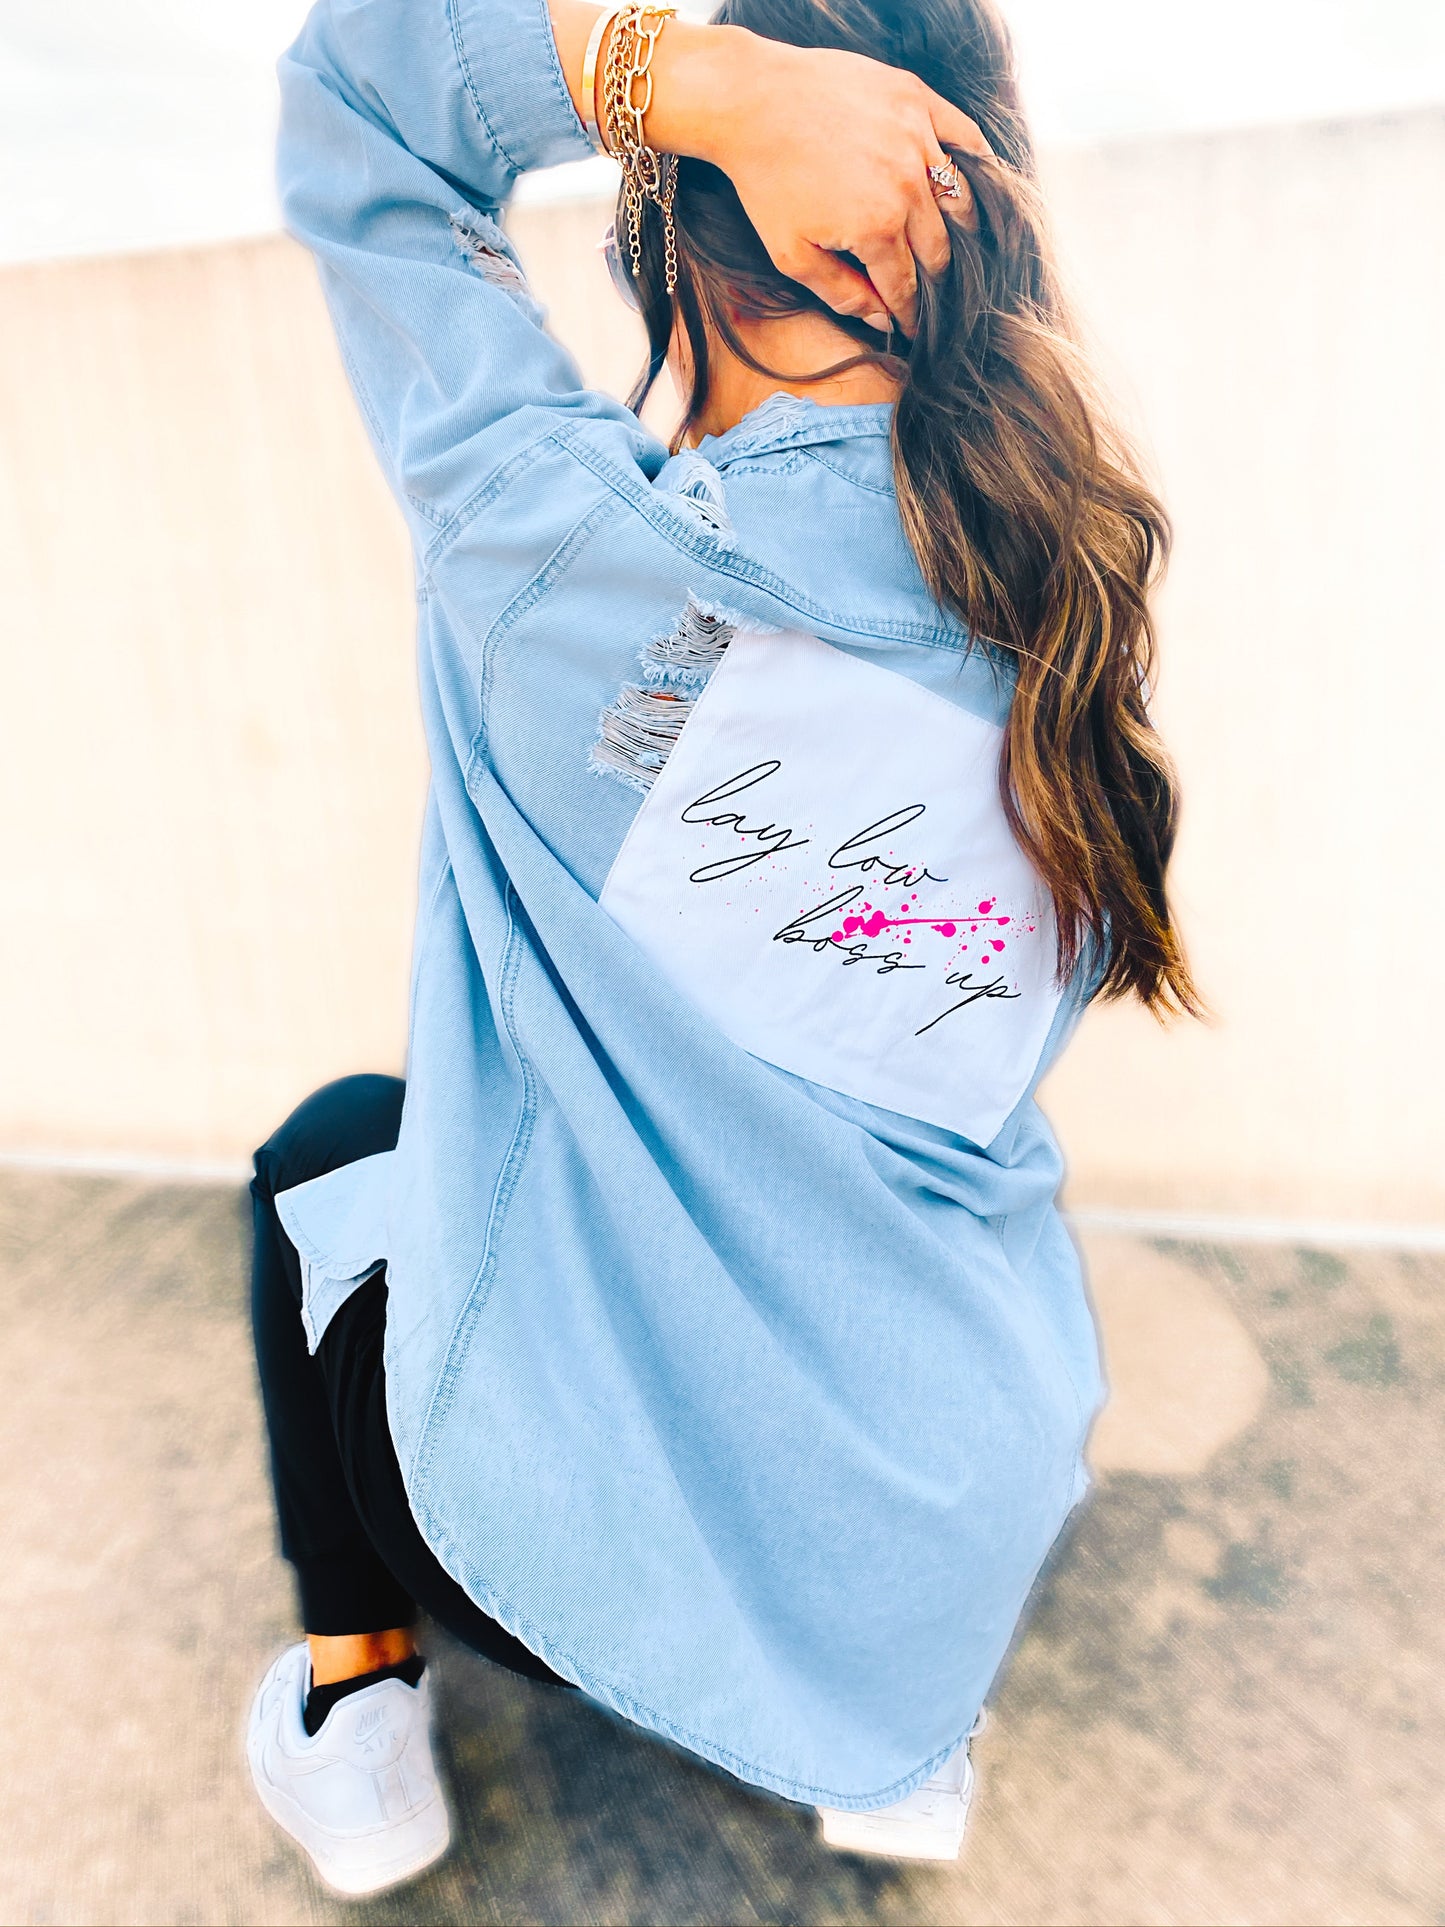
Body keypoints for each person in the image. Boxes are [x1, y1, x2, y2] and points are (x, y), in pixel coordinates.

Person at [246, 0, 1198, 1896]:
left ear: (678, 221)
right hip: (944, 1529)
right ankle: (893, 1735)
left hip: (550, 1560)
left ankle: (356, 1711)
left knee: (331, 1147)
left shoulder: (554, 547)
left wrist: (700, 84)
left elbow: (357, 94)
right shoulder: (1061, 601)